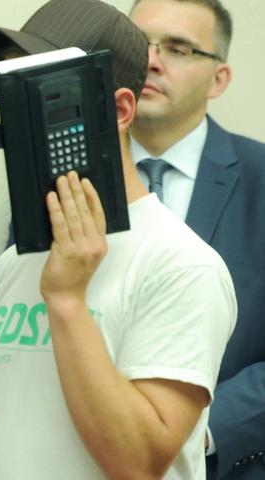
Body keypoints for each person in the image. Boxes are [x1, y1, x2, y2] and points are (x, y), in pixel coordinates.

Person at [0, 0, 236, 478]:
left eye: (43, 94)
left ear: (119, 109)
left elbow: (139, 463)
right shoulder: (14, 260)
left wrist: (67, 300)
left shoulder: (183, 265)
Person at [128, 1, 265, 477]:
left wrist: (192, 432)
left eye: (179, 49)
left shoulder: (261, 179)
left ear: (219, 78)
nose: (150, 60)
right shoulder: (64, 175)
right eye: (138, 43)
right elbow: (0, 329)